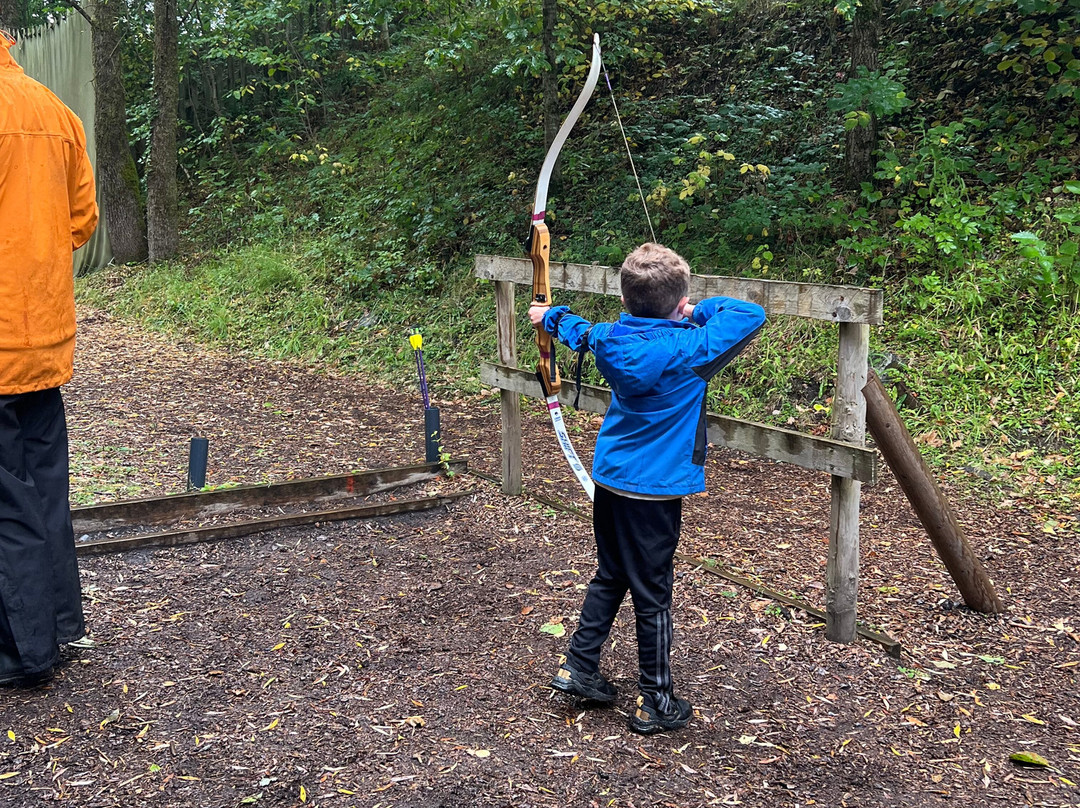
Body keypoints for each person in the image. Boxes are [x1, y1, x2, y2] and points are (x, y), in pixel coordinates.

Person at [529, 242, 765, 734]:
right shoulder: (691, 347)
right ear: (678, 301)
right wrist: (694, 309)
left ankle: (579, 667)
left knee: (611, 573)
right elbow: (749, 313)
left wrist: (548, 316)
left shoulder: (611, 337)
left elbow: (578, 331)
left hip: (611, 479)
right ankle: (656, 699)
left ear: (627, 298)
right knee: (652, 593)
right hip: (653, 492)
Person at [0, 30, 98, 685]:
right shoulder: (54, 109)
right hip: (42, 341)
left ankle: (23, 654)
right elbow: (81, 220)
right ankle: (60, 625)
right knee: (44, 486)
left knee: (7, 500)